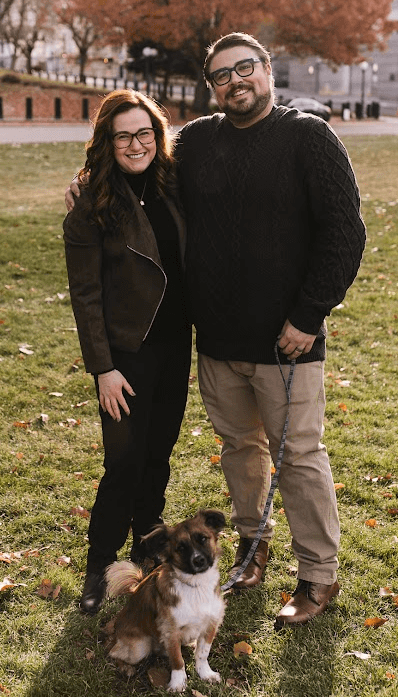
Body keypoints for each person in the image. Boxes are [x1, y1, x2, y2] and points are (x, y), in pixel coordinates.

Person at [66, 34, 366, 628]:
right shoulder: (199, 142)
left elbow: (345, 233)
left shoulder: (309, 137)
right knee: (241, 452)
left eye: (246, 68)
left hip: (289, 342)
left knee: (300, 456)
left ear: (268, 70)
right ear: (212, 87)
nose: (236, 81)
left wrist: (309, 316)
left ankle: (317, 576)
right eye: (222, 75)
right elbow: (137, 163)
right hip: (218, 345)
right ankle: (253, 552)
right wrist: (84, 183)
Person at [63, 90, 191, 616]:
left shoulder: (174, 185)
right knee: (124, 460)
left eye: (145, 133)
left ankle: (146, 550)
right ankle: (98, 563)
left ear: (158, 137)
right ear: (107, 142)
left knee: (158, 452)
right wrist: (104, 369)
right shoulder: (91, 204)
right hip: (125, 354)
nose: (136, 144)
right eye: (124, 136)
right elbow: (85, 295)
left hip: (175, 344)